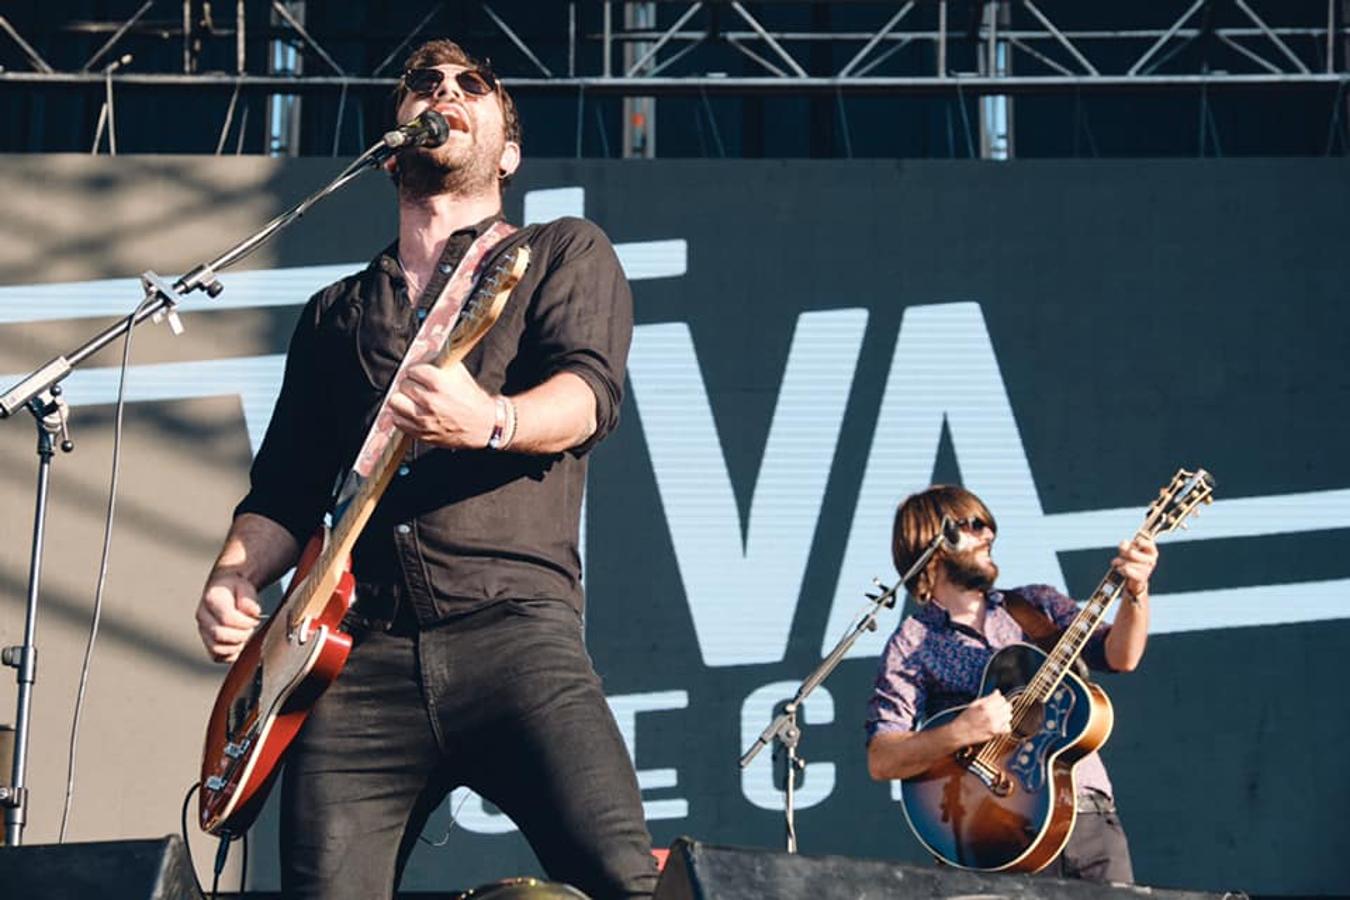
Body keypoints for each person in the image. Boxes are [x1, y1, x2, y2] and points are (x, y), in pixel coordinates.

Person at [193, 38, 658, 900]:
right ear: (394, 138)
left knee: (624, 879)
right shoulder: (335, 313)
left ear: (507, 150)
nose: (443, 91)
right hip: (355, 656)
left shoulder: (558, 252)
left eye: (471, 85)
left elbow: (589, 396)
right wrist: (232, 576)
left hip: (514, 630)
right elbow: (283, 491)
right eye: (423, 84)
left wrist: (493, 420)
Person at [865, 484, 1158, 883]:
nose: (989, 534)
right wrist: (959, 732)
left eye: (988, 525)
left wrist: (1136, 592)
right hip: (994, 834)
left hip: (1088, 816)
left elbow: (1120, 655)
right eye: (972, 525)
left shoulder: (1033, 606)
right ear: (929, 546)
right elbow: (882, 758)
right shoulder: (912, 642)